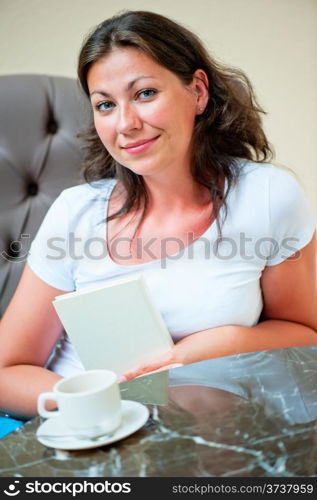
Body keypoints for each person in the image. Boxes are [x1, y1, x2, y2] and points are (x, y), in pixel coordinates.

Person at [0, 10, 316, 418]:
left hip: (208, 432)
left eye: (145, 93)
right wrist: (102, 403)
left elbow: (305, 334)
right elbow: (7, 372)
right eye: (105, 105)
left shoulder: (267, 196)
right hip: (87, 429)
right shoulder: (75, 214)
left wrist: (221, 343)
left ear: (198, 92)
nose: (126, 124)